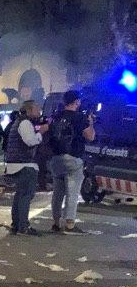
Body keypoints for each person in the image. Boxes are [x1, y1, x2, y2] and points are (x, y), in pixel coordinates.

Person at [47, 90, 95, 233]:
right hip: (73, 158)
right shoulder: (80, 118)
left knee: (58, 192)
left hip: (55, 159)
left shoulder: (55, 116)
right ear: (76, 102)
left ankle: (56, 222)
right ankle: (69, 224)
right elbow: (90, 137)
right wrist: (91, 123)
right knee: (72, 193)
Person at [4, 100, 48, 235]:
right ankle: (23, 226)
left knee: (20, 195)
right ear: (29, 110)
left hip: (16, 164)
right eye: (37, 109)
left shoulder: (19, 122)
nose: (39, 111)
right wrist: (41, 133)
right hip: (24, 165)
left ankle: (16, 224)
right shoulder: (25, 123)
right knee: (25, 195)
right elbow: (30, 141)